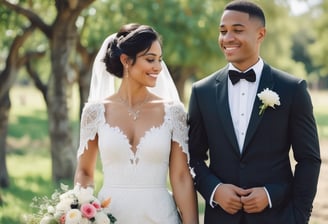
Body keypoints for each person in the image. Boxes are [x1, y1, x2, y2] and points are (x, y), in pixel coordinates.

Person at [188, 1, 321, 224]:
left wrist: (297, 215)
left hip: (278, 217)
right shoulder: (202, 92)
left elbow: (309, 159)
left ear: (260, 34)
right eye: (223, 31)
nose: (227, 37)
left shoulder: (292, 89)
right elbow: (192, 157)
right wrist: (215, 190)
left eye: (237, 30)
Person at [74, 23, 198, 224]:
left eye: (159, 60)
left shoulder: (173, 112)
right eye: (150, 60)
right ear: (125, 60)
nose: (157, 67)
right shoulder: (95, 112)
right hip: (110, 216)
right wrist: (80, 213)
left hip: (160, 215)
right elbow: (85, 171)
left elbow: (182, 176)